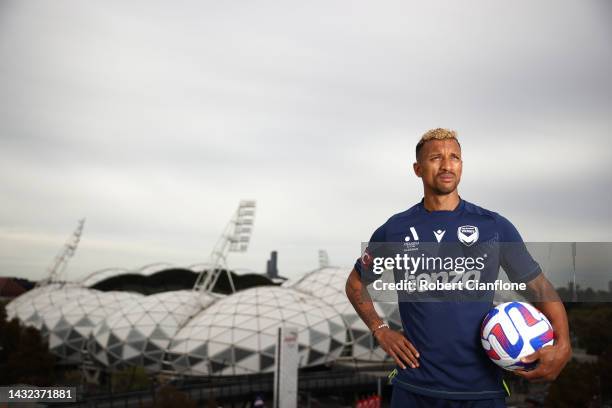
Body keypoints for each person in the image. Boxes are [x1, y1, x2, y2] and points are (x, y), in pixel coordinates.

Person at [345, 128, 572, 407]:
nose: (446, 164)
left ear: (461, 166)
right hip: (414, 390)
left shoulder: (494, 226)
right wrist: (380, 329)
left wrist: (564, 344)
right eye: (435, 157)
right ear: (418, 169)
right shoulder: (395, 230)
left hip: (482, 392)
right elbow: (355, 283)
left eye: (454, 157)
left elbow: (539, 287)